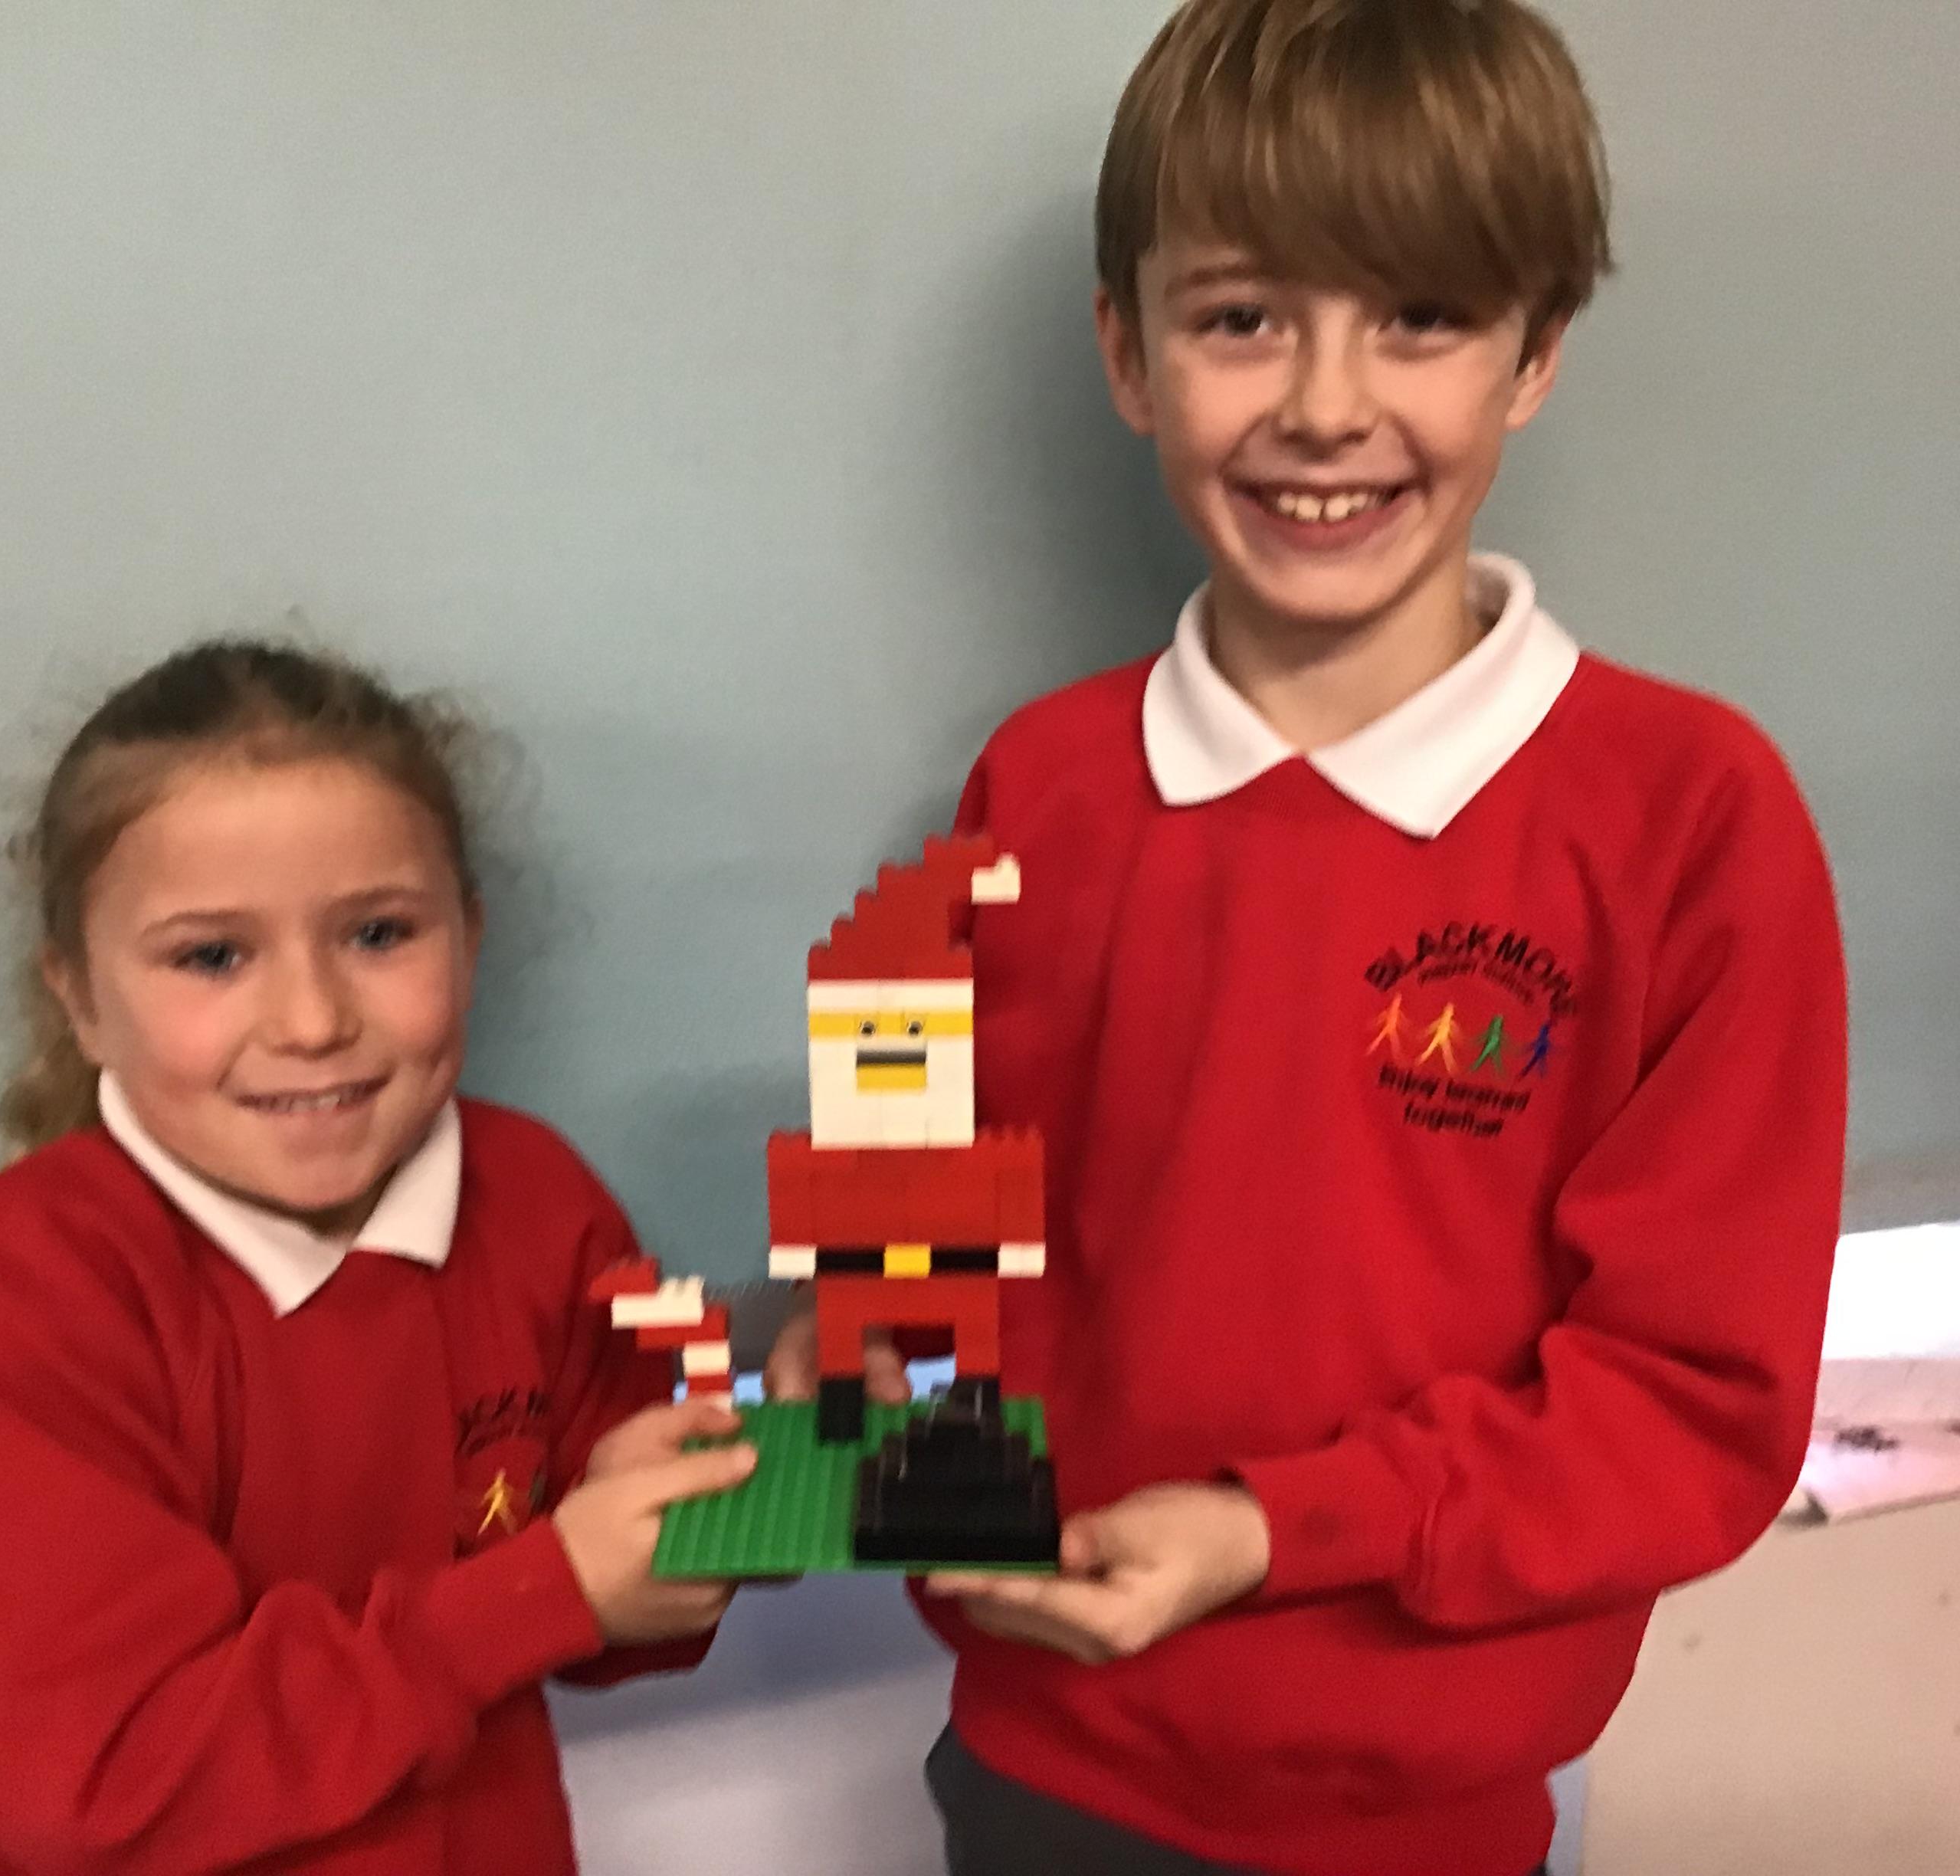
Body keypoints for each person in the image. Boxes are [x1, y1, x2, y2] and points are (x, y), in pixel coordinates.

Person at [770, 2, 1848, 1871]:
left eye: (1419, 317)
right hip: (1037, 1762)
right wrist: (853, 1353)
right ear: (1129, 353)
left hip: (1423, 1812)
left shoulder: (1689, 818)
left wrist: (1276, 1531)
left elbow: (1693, 1406)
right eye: (1242, 318)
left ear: (1534, 355)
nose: (1327, 406)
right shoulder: (1038, 787)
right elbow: (922, 1215)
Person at [0, 640, 755, 1874]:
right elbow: (91, 1779)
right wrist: (542, 1589)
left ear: (469, 939)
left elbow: (616, 1613)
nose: (315, 1021)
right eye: (212, 957)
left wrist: (725, 1489)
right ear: (81, 998)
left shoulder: (538, 1203)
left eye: (379, 933)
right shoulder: (37, 1291)